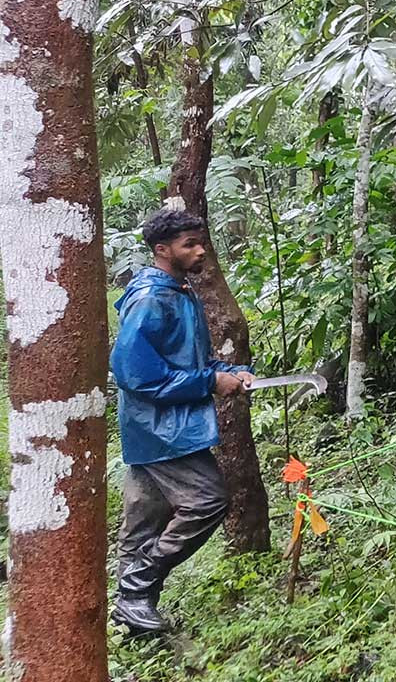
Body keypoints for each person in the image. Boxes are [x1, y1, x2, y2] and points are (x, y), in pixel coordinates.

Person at [107, 209, 253, 633]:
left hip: (158, 428)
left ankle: (132, 614)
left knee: (144, 518)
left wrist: (224, 369)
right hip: (160, 429)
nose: (200, 249)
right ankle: (136, 589)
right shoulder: (152, 297)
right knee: (208, 501)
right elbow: (134, 372)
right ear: (162, 250)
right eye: (189, 244)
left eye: (199, 241)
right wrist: (209, 380)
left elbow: (180, 356)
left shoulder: (178, 291)